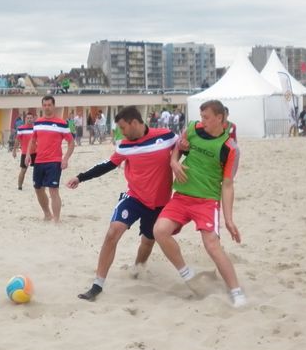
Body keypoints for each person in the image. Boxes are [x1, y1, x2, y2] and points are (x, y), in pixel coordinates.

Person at [67, 106, 178, 302]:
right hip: (134, 197)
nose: (122, 132)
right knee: (113, 232)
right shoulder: (124, 146)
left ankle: (137, 269)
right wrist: (80, 177)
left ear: (134, 123)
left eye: (123, 127)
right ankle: (97, 285)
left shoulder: (167, 136)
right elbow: (107, 165)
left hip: (159, 202)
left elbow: (186, 149)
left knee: (147, 241)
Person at [152, 99, 247, 308]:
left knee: (212, 245)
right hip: (182, 196)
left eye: (206, 117)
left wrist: (229, 219)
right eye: (201, 116)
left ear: (219, 118)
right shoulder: (193, 128)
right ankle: (187, 273)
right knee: (159, 231)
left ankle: (236, 291)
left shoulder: (229, 148)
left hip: (207, 201)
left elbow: (228, 184)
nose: (201, 120)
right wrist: (174, 161)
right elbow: (178, 148)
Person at [27, 95, 75, 222]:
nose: (47, 107)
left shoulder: (61, 123)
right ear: (42, 106)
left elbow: (71, 142)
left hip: (54, 161)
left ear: (53, 106)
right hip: (39, 161)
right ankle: (47, 214)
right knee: (38, 189)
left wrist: (65, 159)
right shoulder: (37, 123)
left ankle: (57, 220)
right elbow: (33, 140)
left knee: (53, 190)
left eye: (49, 105)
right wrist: (27, 155)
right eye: (45, 105)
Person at [13, 113, 35, 190]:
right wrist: (14, 151)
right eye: (28, 118)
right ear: (25, 119)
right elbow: (17, 140)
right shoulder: (21, 128)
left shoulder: (35, 128)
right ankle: (19, 186)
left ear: (33, 119)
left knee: (39, 169)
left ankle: (39, 185)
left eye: (30, 118)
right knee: (23, 170)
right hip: (25, 153)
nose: (29, 119)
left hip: (35, 152)